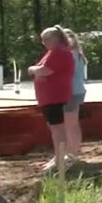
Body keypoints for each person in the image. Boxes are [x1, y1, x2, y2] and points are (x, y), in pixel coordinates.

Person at [29, 25, 74, 173]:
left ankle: (61, 158)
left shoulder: (59, 53)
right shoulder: (53, 52)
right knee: (55, 128)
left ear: (55, 38)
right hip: (50, 97)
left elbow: (45, 70)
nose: (44, 43)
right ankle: (58, 156)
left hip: (55, 96)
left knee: (57, 129)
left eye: (46, 39)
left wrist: (32, 69)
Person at [51, 28, 86, 169]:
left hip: (72, 92)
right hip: (74, 92)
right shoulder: (77, 54)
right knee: (71, 125)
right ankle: (68, 154)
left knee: (71, 126)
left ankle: (71, 155)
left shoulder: (71, 55)